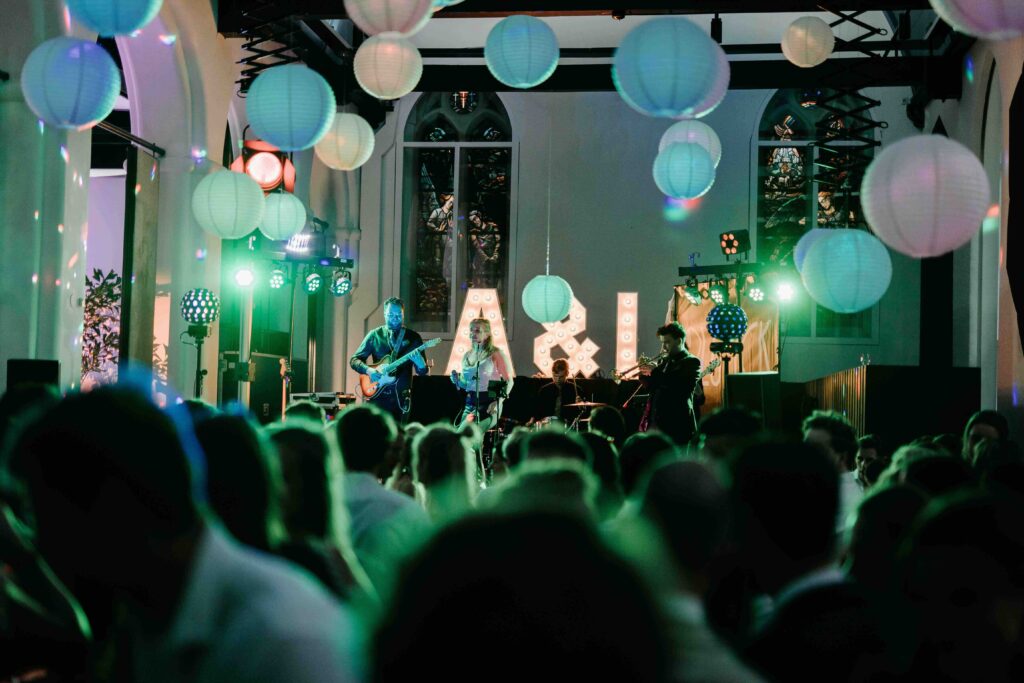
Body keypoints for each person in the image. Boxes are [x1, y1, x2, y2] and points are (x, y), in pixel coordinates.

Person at [6, 386, 360, 682]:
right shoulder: (145, 619)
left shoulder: (282, 638)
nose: (41, 544)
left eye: (46, 520)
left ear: (112, 510)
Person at [350, 297, 429, 424]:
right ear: (384, 314)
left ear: (403, 314)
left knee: (400, 437)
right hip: (377, 396)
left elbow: (422, 372)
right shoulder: (375, 335)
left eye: (399, 315)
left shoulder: (413, 338)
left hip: (401, 398)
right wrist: (369, 370)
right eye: (391, 314)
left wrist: (422, 366)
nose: (395, 318)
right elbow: (354, 360)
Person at [638, 322, 701, 447]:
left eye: (667, 342)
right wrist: (644, 375)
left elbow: (678, 387)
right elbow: (654, 388)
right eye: (662, 343)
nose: (664, 347)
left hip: (677, 424)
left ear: (679, 341)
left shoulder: (691, 362)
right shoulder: (664, 361)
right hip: (656, 423)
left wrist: (654, 371)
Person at [450, 317, 513, 432]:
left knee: (467, 432)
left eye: (477, 331)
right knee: (459, 436)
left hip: (489, 402)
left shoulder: (495, 353)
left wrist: (498, 402)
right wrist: (457, 381)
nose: (473, 334)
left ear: (487, 334)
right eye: (471, 330)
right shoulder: (466, 355)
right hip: (470, 403)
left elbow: (508, 381)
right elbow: (466, 385)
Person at [534, 358, 581, 426]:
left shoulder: (576, 390)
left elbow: (582, 414)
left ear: (567, 374)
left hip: (569, 427)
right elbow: (538, 411)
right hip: (548, 426)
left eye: (561, 377)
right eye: (555, 376)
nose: (557, 379)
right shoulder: (544, 390)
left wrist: (581, 406)